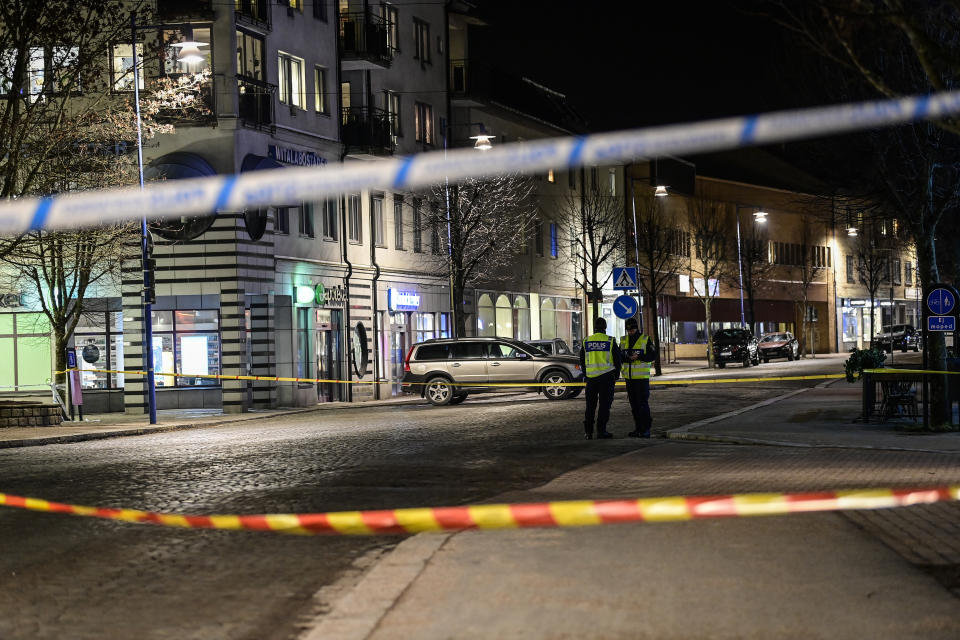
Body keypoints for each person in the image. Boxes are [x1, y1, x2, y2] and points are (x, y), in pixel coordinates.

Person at [579, 316, 621, 439]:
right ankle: (601, 431)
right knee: (604, 405)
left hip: (591, 379)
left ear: (595, 328)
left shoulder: (586, 341)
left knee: (590, 405)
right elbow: (617, 360)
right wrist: (616, 375)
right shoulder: (610, 340)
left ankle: (588, 432)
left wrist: (586, 374)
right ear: (605, 328)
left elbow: (582, 360)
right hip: (607, 378)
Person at [620, 316, 657, 438]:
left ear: (636, 329)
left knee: (642, 404)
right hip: (629, 378)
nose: (630, 332)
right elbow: (620, 356)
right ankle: (638, 428)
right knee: (634, 405)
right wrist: (627, 358)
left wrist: (639, 357)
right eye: (628, 330)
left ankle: (645, 429)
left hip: (641, 379)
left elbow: (653, 355)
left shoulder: (645, 339)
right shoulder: (624, 340)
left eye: (632, 330)